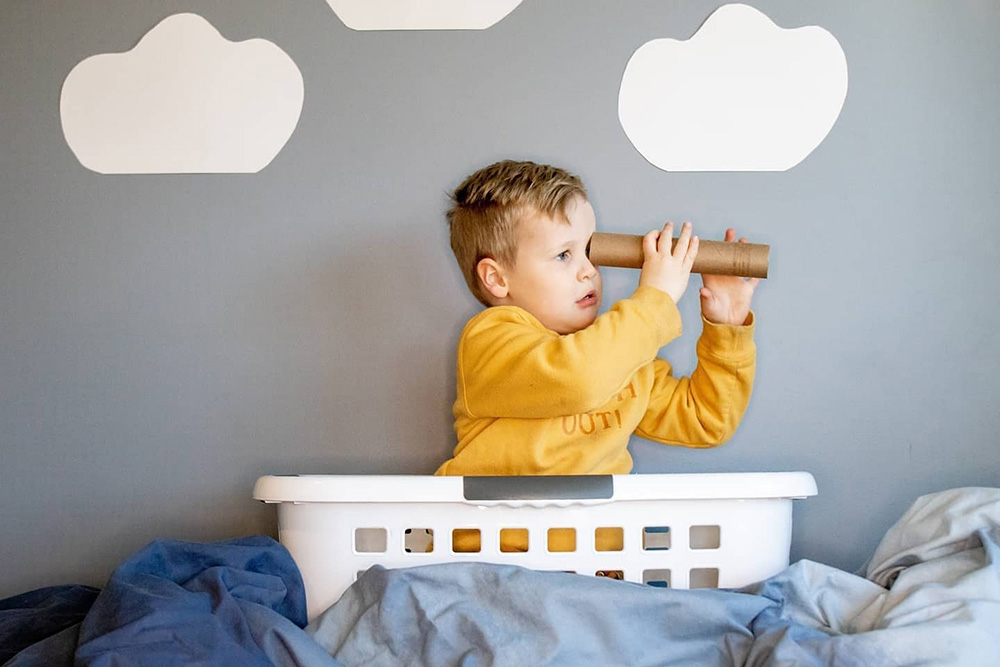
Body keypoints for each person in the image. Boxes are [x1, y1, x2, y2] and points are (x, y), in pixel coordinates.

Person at [435, 160, 759, 552]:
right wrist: (654, 300)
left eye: (588, 251)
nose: (588, 271)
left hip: (595, 563)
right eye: (563, 256)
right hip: (492, 555)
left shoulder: (619, 353)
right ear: (497, 279)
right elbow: (576, 377)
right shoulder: (490, 340)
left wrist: (726, 326)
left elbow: (706, 419)